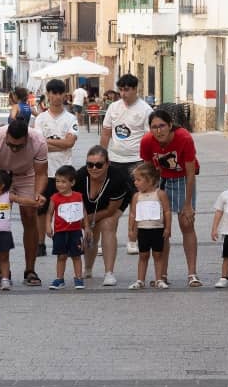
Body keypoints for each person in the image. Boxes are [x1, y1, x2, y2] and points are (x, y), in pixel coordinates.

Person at [0, 118, 49, 286]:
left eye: (19, 146)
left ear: (27, 138)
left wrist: (38, 194)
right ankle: (2, 271)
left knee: (29, 216)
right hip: (0, 175)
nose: (14, 149)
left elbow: (41, 174)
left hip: (27, 175)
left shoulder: (38, 141)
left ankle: (30, 270)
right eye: (10, 145)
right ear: (6, 135)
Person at [139, 109, 199, 286]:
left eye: (162, 126)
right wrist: (148, 196)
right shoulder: (147, 141)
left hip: (182, 178)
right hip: (161, 179)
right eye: (154, 127)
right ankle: (161, 275)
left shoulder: (184, 138)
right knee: (161, 228)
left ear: (170, 125)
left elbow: (190, 174)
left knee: (186, 224)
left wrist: (188, 204)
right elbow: (148, 171)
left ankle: (192, 274)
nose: (158, 131)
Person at [101, 74, 152, 255]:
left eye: (127, 90)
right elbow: (106, 133)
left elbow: (148, 138)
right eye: (121, 90)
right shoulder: (113, 107)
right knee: (110, 202)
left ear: (135, 89)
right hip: (115, 161)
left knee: (135, 201)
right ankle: (106, 239)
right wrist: (102, 157)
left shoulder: (145, 110)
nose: (123, 94)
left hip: (136, 162)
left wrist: (147, 165)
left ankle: (132, 240)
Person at [34, 79, 79, 257]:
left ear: (65, 95)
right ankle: (40, 243)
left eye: (60, 93)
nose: (57, 97)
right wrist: (60, 143)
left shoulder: (71, 118)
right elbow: (38, 145)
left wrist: (48, 142)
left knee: (65, 208)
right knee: (41, 209)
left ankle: (65, 241)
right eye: (53, 93)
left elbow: (69, 143)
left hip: (64, 171)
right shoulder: (40, 118)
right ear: (48, 95)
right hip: (44, 172)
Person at [75, 145, 132, 287]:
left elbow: (110, 210)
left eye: (99, 165)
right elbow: (76, 203)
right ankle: (88, 269)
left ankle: (109, 273)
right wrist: (86, 224)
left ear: (107, 164)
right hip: (88, 207)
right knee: (91, 232)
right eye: (90, 164)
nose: (94, 168)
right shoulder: (79, 176)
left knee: (107, 224)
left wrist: (89, 219)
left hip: (113, 206)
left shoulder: (118, 178)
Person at [127, 162, 171, 290]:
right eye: (135, 179)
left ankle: (159, 279)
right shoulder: (137, 196)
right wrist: (131, 229)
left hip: (157, 229)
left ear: (150, 180)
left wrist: (168, 228)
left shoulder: (160, 194)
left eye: (138, 180)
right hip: (143, 230)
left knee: (158, 255)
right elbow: (133, 214)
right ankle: (140, 280)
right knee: (143, 255)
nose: (135, 182)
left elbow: (167, 211)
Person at [46, 164, 85, 290]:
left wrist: (87, 228)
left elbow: (83, 212)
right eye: (57, 181)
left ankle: (78, 278)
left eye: (63, 182)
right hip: (60, 232)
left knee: (76, 256)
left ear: (72, 183)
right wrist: (48, 225)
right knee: (61, 256)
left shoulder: (78, 196)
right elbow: (49, 213)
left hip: (75, 231)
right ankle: (59, 279)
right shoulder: (54, 198)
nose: (60, 184)